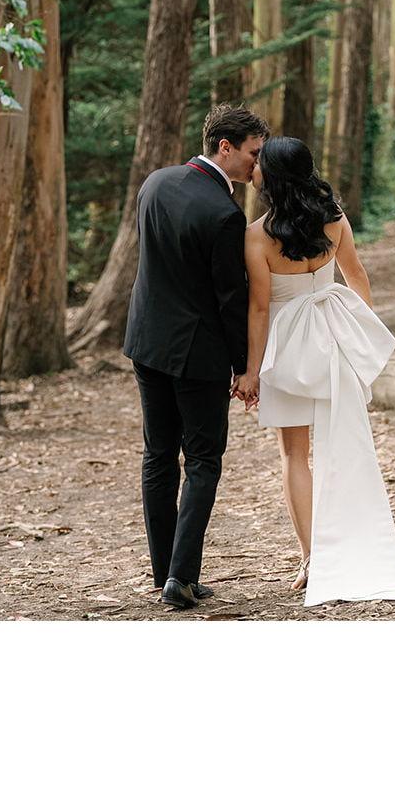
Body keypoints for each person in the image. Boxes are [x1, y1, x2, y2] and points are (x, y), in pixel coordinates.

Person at [236, 135, 395, 607]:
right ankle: (350, 548)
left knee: (295, 455)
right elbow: (357, 276)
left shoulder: (257, 235)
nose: (252, 170)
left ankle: (314, 558)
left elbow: (257, 308)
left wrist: (251, 370)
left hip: (288, 344)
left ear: (270, 178)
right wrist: (358, 335)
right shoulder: (334, 220)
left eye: (259, 166)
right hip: (333, 336)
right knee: (347, 446)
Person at [124, 102, 269, 610]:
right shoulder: (224, 214)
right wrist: (242, 366)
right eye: (252, 154)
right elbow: (231, 300)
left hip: (145, 340)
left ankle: (165, 570)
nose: (257, 166)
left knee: (158, 455)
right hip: (197, 354)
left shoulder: (155, 183)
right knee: (204, 460)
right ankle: (182, 578)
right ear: (224, 147)